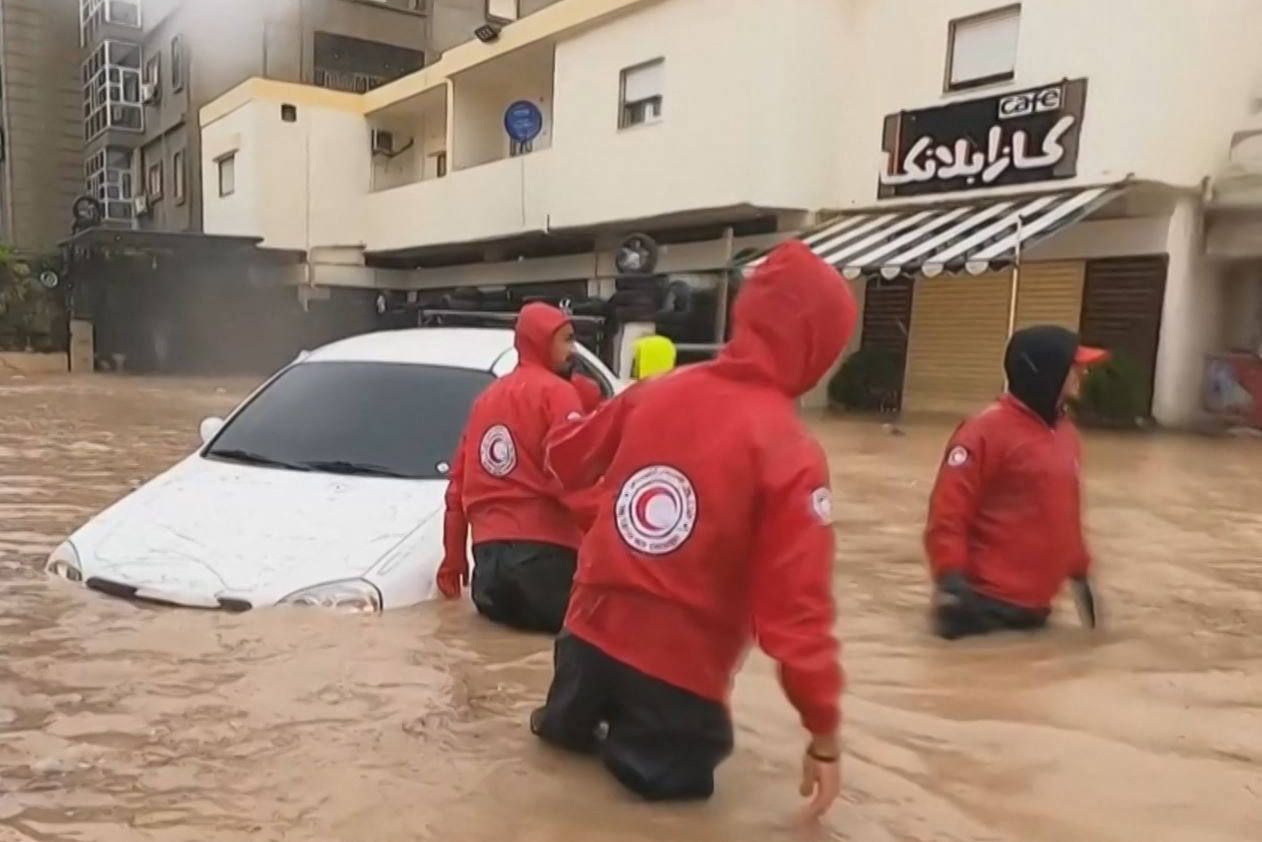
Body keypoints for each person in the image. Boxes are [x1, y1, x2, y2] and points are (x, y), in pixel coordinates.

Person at [530, 241, 857, 817]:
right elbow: (796, 617)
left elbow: (564, 459)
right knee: (663, 820)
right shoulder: (792, 453)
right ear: (819, 346)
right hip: (676, 678)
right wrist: (823, 734)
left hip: (582, 648)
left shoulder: (653, 393)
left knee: (556, 786)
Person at [924, 324, 1108, 641]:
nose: (1082, 375)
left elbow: (1064, 514)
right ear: (1047, 373)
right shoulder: (983, 432)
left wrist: (1081, 574)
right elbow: (948, 513)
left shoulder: (1066, 435)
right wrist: (950, 580)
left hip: (1036, 613)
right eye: (1073, 368)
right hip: (982, 610)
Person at [436, 302, 587, 634]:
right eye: (566, 340)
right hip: (548, 560)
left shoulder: (484, 400)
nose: (572, 350)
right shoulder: (559, 394)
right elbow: (573, 476)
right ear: (542, 342)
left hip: (488, 566)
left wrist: (453, 556)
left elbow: (457, 487)